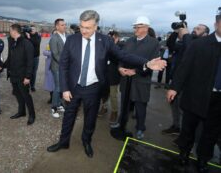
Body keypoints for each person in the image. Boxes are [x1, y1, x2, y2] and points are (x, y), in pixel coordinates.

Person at [47, 10, 166, 158]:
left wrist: (146, 63)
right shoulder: (72, 40)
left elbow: (123, 55)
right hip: (73, 88)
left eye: (88, 27)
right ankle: (63, 142)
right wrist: (64, 88)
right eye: (82, 26)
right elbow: (63, 65)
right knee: (68, 117)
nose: (83, 30)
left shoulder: (105, 41)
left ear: (96, 26)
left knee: (90, 119)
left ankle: (86, 141)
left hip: (93, 88)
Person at [166, 10, 221, 173]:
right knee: (188, 128)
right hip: (196, 95)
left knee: (211, 133)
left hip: (219, 99)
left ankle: (203, 160)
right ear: (216, 23)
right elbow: (184, 67)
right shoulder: (199, 44)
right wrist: (174, 87)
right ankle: (184, 153)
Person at [162, 24, 210, 135]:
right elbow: (170, 45)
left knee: (183, 109)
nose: (194, 30)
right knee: (173, 105)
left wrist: (186, 36)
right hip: (177, 81)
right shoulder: (188, 41)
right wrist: (176, 31)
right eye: (194, 28)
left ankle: (185, 134)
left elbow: (191, 49)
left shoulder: (204, 45)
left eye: (198, 29)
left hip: (190, 85)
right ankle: (176, 126)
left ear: (205, 34)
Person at [117, 16, 160, 140]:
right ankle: (121, 123)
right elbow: (122, 57)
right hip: (126, 79)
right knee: (124, 104)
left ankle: (140, 128)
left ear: (146, 28)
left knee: (140, 107)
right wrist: (120, 68)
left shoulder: (154, 43)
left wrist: (135, 71)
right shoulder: (129, 41)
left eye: (138, 26)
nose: (135, 28)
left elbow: (153, 63)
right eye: (135, 26)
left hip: (141, 80)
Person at [6, 24, 36, 125]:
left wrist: (28, 77)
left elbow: (30, 62)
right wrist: (2, 66)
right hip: (14, 75)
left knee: (26, 96)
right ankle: (21, 112)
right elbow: (10, 59)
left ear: (15, 31)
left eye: (10, 30)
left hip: (23, 76)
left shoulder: (26, 43)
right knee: (18, 95)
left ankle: (32, 115)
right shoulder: (13, 42)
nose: (9, 32)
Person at [49, 18, 68, 118]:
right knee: (58, 87)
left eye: (65, 24)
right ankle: (54, 107)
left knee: (63, 86)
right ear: (57, 26)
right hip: (57, 67)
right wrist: (65, 64)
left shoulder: (67, 36)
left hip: (65, 67)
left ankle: (60, 104)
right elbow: (55, 54)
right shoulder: (54, 38)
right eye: (62, 25)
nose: (64, 26)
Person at [25, 25, 41, 92]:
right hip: (27, 57)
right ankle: (27, 85)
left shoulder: (38, 36)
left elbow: (36, 43)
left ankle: (32, 86)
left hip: (35, 57)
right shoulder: (26, 36)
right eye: (31, 29)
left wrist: (29, 37)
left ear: (36, 30)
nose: (32, 30)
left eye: (33, 29)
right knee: (28, 71)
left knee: (34, 72)